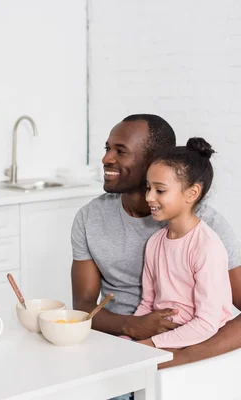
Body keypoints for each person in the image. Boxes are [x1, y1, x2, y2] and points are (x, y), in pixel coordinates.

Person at [71, 114, 241, 369]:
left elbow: (210, 320)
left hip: (174, 354)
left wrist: (166, 359)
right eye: (107, 148)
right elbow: (84, 307)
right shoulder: (90, 218)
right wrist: (131, 332)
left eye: (121, 151)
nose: (107, 158)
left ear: (155, 161)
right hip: (122, 347)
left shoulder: (207, 230)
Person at [134, 137, 232, 349]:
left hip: (199, 343)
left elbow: (207, 323)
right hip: (162, 339)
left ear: (192, 193)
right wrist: (129, 342)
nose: (149, 197)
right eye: (148, 188)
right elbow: (147, 305)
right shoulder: (154, 243)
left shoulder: (207, 248)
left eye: (160, 190)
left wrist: (149, 344)